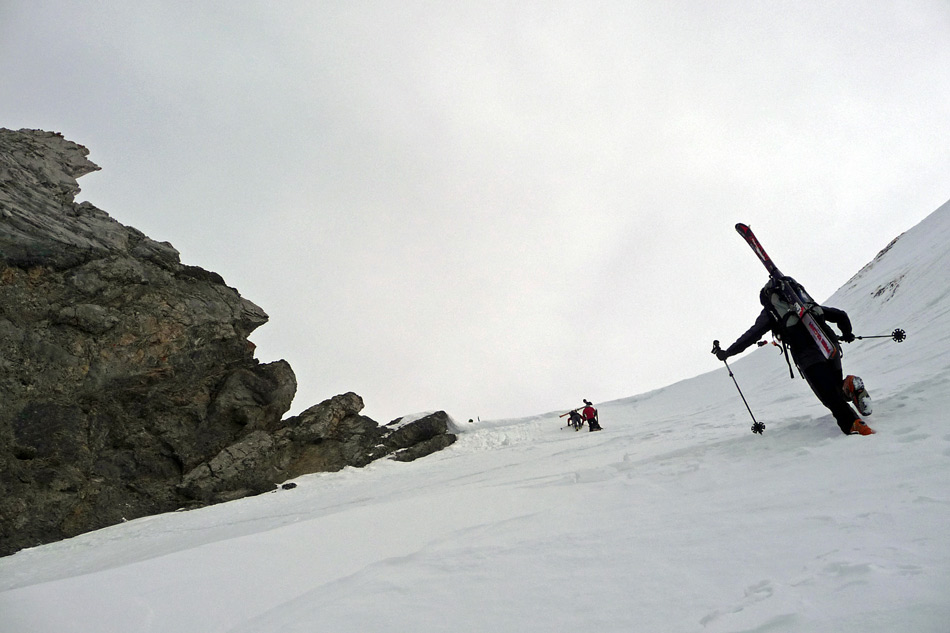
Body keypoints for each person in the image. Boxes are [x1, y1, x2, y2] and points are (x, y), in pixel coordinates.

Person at [713, 278, 874, 436]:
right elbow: (841, 315)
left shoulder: (772, 311)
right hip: (829, 346)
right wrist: (847, 333)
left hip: (808, 356)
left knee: (829, 397)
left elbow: (752, 335)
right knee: (834, 386)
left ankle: (853, 424)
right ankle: (849, 386)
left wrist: (728, 352)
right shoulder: (804, 304)